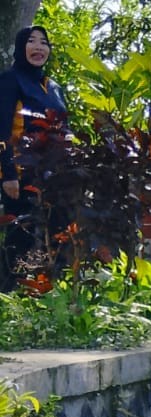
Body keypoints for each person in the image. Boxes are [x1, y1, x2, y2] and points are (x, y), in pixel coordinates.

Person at [0, 26, 68, 290]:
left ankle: (49, 292)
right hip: (20, 172)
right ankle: (11, 295)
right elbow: (2, 129)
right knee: (21, 234)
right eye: (31, 41)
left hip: (54, 174)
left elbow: (64, 128)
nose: (39, 47)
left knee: (56, 232)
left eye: (44, 42)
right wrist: (7, 173)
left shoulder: (55, 87)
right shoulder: (9, 80)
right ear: (20, 47)